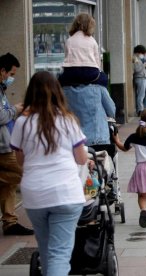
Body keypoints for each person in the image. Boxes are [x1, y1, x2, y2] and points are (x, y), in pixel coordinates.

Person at [10, 71, 88, 276]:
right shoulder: (68, 120)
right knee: (60, 254)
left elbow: (20, 161)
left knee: (46, 251)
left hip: (35, 194)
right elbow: (81, 159)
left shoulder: (21, 123)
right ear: (57, 93)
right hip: (66, 193)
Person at [113, 109, 146, 227]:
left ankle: (143, 210)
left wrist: (117, 140)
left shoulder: (135, 136)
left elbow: (124, 148)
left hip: (140, 169)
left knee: (142, 195)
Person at [0, 53, 34, 236]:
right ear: (2, 70)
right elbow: (1, 116)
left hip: (6, 144)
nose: (11, 78)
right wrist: (16, 110)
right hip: (3, 148)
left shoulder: (1, 89)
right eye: (11, 73)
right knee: (26, 173)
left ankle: (9, 221)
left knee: (8, 185)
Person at [58, 13, 108, 87]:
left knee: (60, 79)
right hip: (90, 73)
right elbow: (97, 64)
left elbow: (67, 58)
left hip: (72, 73)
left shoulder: (69, 41)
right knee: (104, 78)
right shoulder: (92, 41)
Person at [133, 45, 146, 117]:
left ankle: (139, 109)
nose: (143, 55)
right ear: (139, 52)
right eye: (142, 53)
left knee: (140, 95)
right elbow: (137, 69)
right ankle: (140, 110)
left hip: (142, 78)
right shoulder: (135, 59)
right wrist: (143, 65)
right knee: (141, 95)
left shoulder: (137, 59)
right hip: (140, 78)